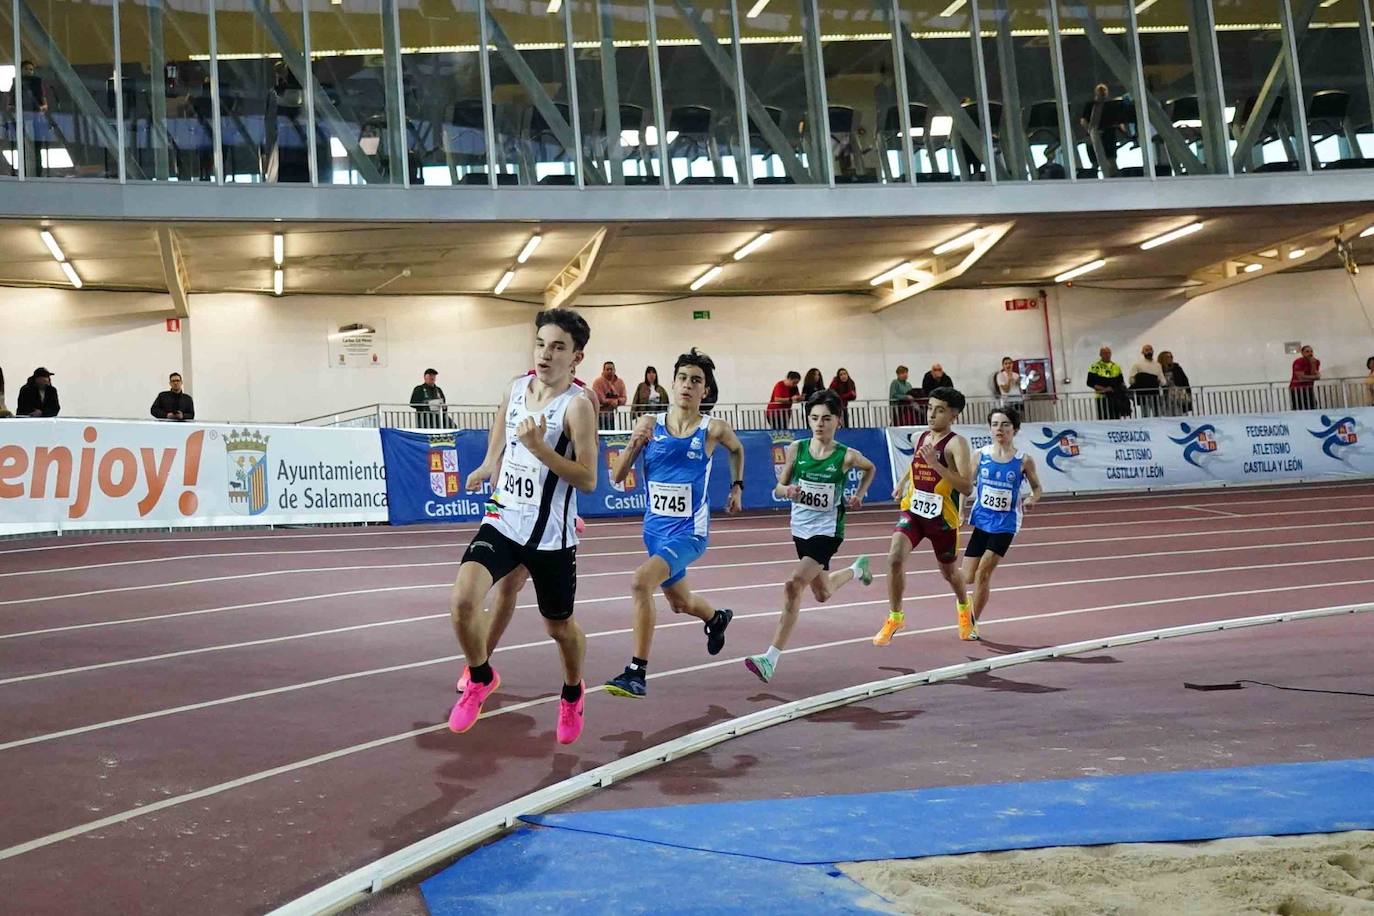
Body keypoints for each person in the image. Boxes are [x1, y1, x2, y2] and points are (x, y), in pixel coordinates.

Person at [446, 308, 599, 745]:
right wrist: (489, 462)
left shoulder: (577, 407)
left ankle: (572, 691)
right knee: (462, 601)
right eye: (540, 344)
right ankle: (480, 676)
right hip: (503, 518)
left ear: (577, 357)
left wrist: (539, 448)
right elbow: (502, 423)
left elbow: (588, 479)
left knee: (559, 628)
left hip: (550, 536)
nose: (546, 354)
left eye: (558, 347)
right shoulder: (516, 388)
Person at [604, 348, 745, 699]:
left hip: (689, 534)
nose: (687, 385)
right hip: (654, 531)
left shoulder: (713, 430)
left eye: (695, 380)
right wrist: (634, 443)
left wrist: (736, 486)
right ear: (672, 383)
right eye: (682, 378)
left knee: (641, 582)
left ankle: (636, 672)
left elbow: (738, 450)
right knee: (680, 602)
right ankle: (716, 619)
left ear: (705, 391)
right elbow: (618, 477)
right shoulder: (650, 425)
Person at [744, 390, 876, 683]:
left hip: (828, 532)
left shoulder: (847, 455)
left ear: (837, 421)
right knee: (822, 592)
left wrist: (859, 494)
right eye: (814, 418)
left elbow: (871, 468)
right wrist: (787, 491)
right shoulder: (796, 449)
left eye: (826, 419)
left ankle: (770, 659)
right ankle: (857, 569)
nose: (819, 424)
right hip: (800, 529)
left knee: (794, 585)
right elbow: (778, 488)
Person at [874, 386, 974, 647]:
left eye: (939, 410)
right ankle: (895, 616)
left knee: (950, 574)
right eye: (929, 408)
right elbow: (915, 463)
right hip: (914, 510)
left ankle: (964, 606)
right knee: (894, 558)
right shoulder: (919, 436)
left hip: (942, 519)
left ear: (953, 415)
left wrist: (936, 465)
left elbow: (966, 486)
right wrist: (903, 482)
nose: (931, 414)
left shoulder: (957, 444)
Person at [959, 407, 1043, 640]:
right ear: (989, 428)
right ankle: (966, 608)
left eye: (1005, 424)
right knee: (966, 577)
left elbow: (1037, 488)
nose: (999, 429)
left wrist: (1031, 499)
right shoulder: (980, 455)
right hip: (982, 521)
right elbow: (965, 487)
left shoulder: (1023, 460)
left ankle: (972, 622)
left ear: (1014, 429)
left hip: (1006, 523)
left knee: (984, 573)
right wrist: (958, 510)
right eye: (995, 424)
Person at [1087, 346, 1128, 419]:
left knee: (1116, 418)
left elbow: (1121, 381)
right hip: (1102, 398)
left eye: (1109, 353)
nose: (1107, 355)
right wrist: (1105, 389)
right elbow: (1090, 383)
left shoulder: (1116, 366)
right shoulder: (1095, 366)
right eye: (1105, 353)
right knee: (1104, 418)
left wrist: (1124, 388)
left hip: (1116, 397)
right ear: (1100, 354)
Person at [1128, 344, 1165, 417]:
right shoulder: (1137, 365)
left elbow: (1162, 379)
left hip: (1155, 393)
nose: (1149, 352)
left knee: (1157, 414)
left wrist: (1160, 382)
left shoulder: (1157, 365)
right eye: (1146, 350)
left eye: (1150, 349)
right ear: (1142, 352)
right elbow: (1131, 380)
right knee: (1145, 414)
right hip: (1143, 394)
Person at [592, 360, 628, 429]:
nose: (609, 371)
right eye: (607, 369)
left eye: (611, 369)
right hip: (600, 415)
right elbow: (600, 399)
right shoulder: (597, 382)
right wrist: (613, 401)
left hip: (612, 415)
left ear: (615, 370)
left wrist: (617, 401)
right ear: (603, 370)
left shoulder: (620, 382)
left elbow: (624, 398)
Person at [1159, 350, 1191, 415]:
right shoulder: (1159, 369)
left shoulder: (1177, 368)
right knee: (1167, 412)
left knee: (1180, 411)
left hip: (1178, 392)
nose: (1170, 358)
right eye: (1168, 357)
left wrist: (1188, 392)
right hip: (1166, 394)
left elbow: (1185, 380)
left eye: (1171, 357)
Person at [1290, 344, 1320, 411]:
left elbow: (1314, 375)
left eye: (1311, 351)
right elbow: (1301, 378)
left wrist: (1313, 364)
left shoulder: (1316, 362)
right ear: (1302, 353)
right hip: (1297, 389)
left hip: (1308, 388)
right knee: (1298, 408)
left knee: (1313, 407)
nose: (1310, 353)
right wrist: (1315, 377)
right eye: (1307, 351)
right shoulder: (1298, 362)